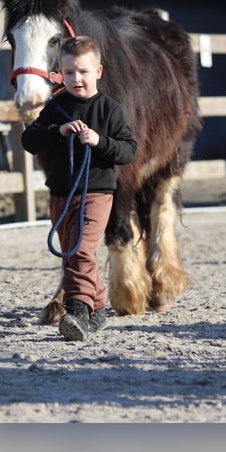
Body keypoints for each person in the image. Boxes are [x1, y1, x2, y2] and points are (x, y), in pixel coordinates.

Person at [21, 36, 137, 341]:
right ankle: (98, 309)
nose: (77, 79)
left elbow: (128, 151)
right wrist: (56, 132)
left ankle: (77, 311)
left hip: (96, 194)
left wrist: (100, 142)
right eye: (69, 73)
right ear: (59, 74)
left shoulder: (110, 110)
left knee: (82, 250)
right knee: (71, 256)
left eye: (83, 72)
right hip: (60, 195)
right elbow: (29, 140)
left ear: (98, 71)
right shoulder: (56, 107)